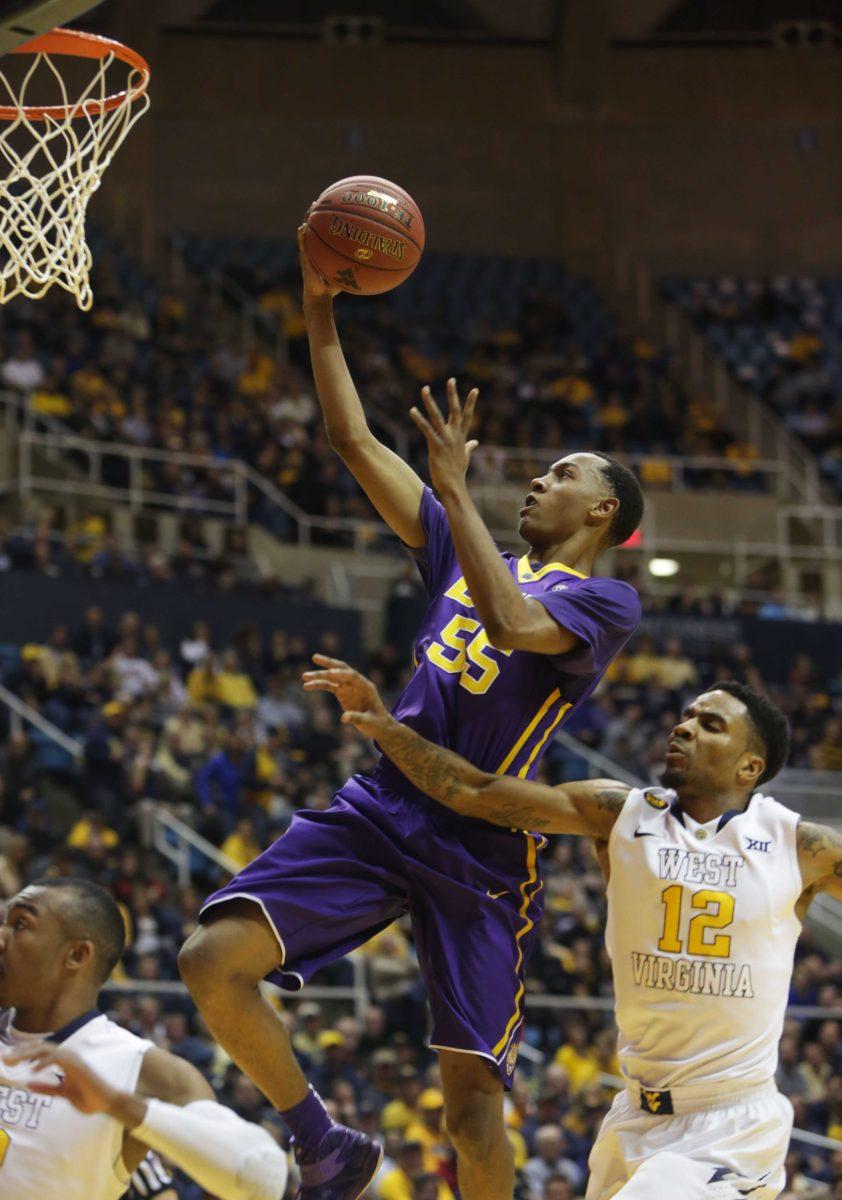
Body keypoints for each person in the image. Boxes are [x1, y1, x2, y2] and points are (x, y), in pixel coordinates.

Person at [178, 227, 645, 1200]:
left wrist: (454, 495)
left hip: (479, 846)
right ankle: (323, 1144)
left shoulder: (604, 603)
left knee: (472, 1118)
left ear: (602, 514)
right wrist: (317, 308)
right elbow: (352, 440)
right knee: (210, 959)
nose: (539, 480)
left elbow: (515, 627)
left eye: (563, 475)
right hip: (383, 801)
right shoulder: (453, 543)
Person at [302, 657, 842, 1200]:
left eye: (710, 725)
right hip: (634, 1115)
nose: (684, 727)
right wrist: (387, 727)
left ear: (749, 768)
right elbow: (476, 792)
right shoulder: (620, 814)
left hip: (730, 1121)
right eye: (688, 716)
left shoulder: (798, 846)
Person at [0, 877, 288, 1200]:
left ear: (77, 955)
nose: (1, 938)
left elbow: (264, 1178)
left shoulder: (137, 1068)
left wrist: (119, 1105)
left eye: (20, 924)